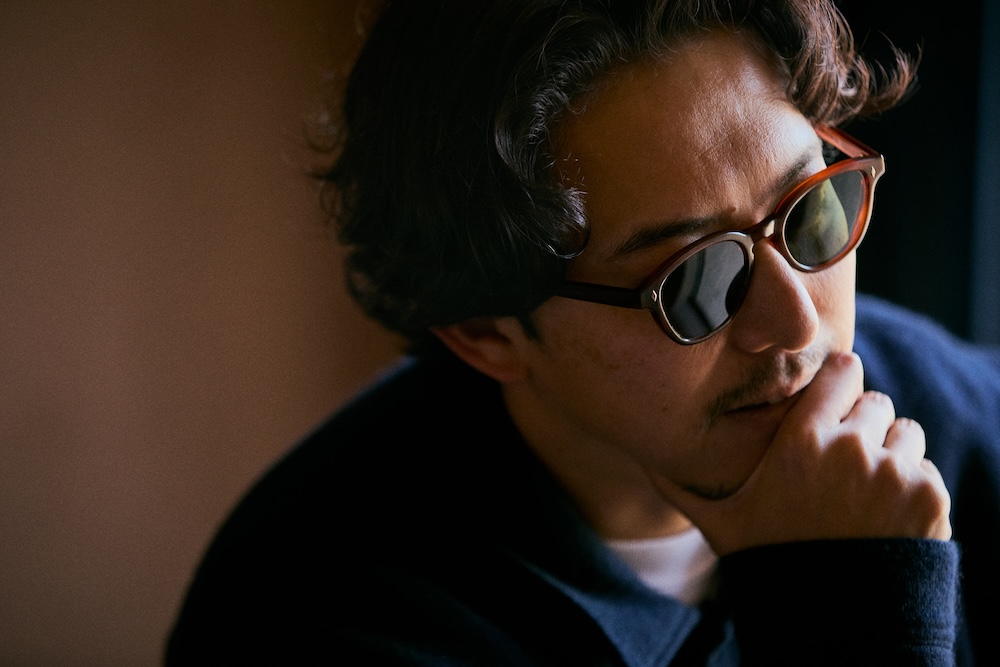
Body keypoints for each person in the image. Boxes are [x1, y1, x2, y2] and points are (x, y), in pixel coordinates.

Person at [166, 0, 1000, 664]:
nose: (797, 322)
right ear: (487, 331)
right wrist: (855, 613)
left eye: (811, 213)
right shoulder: (325, 618)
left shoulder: (957, 416)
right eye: (696, 281)